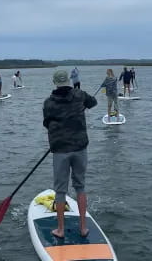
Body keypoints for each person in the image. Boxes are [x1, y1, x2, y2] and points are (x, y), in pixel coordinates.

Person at [43, 70, 97, 238]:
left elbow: (47, 123)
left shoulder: (49, 103)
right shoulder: (79, 95)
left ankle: (60, 229)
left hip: (60, 151)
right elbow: (93, 102)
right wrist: (81, 106)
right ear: (68, 81)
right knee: (80, 186)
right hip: (80, 148)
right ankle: (83, 228)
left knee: (60, 191)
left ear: (54, 82)